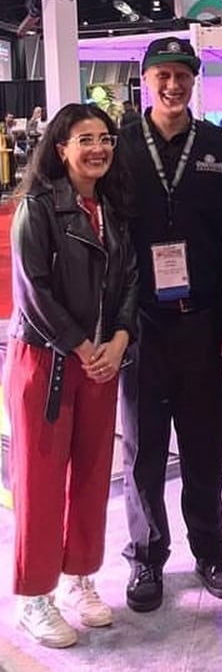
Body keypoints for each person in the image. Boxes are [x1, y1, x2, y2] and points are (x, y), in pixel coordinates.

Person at [115, 37, 222, 613]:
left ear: (195, 81)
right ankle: (146, 555)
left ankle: (211, 549)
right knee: (143, 448)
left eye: (183, 76)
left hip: (206, 320)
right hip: (141, 323)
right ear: (146, 79)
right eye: (163, 75)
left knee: (205, 443)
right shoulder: (119, 145)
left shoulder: (221, 147)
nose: (173, 86)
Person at [5, 104, 137, 647]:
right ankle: (33, 595)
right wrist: (82, 347)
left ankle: (78, 577)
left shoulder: (113, 210)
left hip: (101, 360)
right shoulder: (37, 208)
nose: (98, 148)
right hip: (48, 361)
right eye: (86, 139)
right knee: (40, 480)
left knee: (91, 473)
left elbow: (130, 282)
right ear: (61, 149)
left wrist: (120, 340)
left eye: (105, 138)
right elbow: (32, 292)